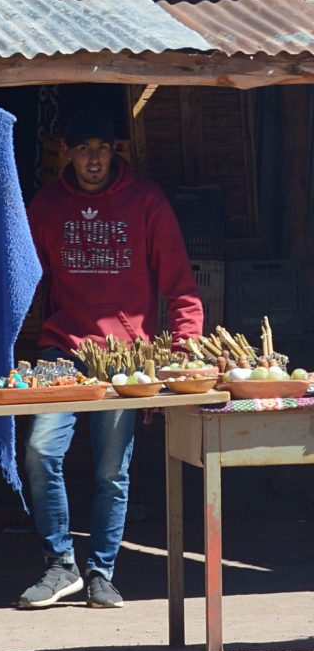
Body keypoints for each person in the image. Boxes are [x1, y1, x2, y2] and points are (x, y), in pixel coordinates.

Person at [16, 108, 202, 611]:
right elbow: (20, 280)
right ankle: (60, 566)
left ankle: (101, 571)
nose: (92, 158)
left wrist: (182, 357)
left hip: (124, 359)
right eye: (82, 148)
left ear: (114, 151)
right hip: (61, 353)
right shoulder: (48, 205)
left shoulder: (146, 201)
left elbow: (181, 287)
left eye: (101, 147)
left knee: (110, 472)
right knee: (39, 451)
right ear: (66, 154)